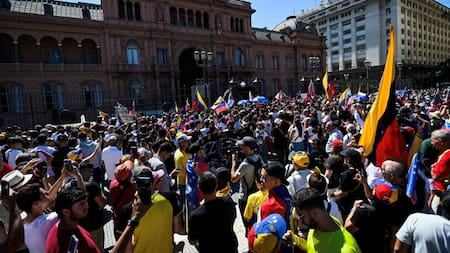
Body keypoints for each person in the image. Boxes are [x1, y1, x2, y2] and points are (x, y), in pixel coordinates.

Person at [111, 167, 181, 253]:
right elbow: (177, 229)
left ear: (135, 184)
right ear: (152, 181)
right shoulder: (171, 198)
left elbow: (127, 249)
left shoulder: (128, 209)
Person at [283, 188, 361, 253]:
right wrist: (296, 241)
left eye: (301, 217)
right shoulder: (321, 224)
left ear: (314, 213)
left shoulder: (347, 250)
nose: (300, 222)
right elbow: (313, 247)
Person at [188, 172, 238, 253]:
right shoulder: (229, 203)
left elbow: (192, 240)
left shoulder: (195, 216)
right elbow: (233, 218)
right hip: (230, 248)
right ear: (216, 186)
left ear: (199, 189)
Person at [45, 187, 100, 253]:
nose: (87, 206)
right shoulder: (64, 246)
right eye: (81, 204)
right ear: (66, 212)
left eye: (86, 201)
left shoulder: (71, 225)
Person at [231, 136, 263, 233]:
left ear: (249, 148)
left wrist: (233, 163)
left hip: (246, 197)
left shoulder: (245, 164)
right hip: (257, 195)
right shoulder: (258, 158)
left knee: (248, 224)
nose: (241, 148)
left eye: (243, 146)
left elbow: (233, 179)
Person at [259, 162, 292, 226]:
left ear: (276, 182)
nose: (261, 179)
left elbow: (265, 231)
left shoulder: (271, 205)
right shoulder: (285, 190)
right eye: (261, 176)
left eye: (264, 178)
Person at [109, 161, 136, 240]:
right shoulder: (132, 189)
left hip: (117, 219)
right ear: (128, 177)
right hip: (128, 220)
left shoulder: (112, 184)